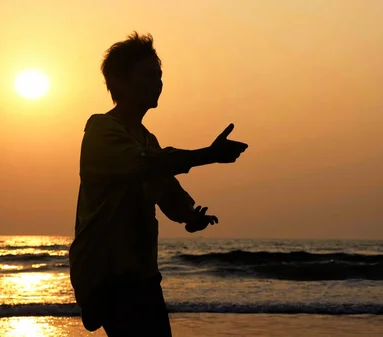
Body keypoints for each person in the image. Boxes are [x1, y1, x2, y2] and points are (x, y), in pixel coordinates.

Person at [68, 32, 248, 337]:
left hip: (143, 275)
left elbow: (166, 188)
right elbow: (149, 164)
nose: (158, 83)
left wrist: (190, 215)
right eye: (149, 75)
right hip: (110, 276)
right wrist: (210, 154)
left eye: (160, 75)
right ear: (119, 81)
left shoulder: (147, 138)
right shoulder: (101, 130)